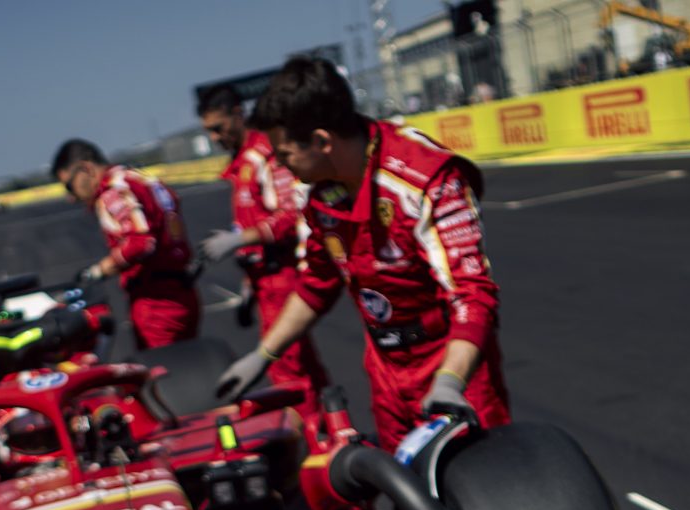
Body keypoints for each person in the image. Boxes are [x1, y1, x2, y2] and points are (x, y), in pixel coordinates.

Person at [212, 55, 510, 443]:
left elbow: (473, 294)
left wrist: (450, 381)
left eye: (285, 155)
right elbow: (316, 283)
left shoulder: (426, 178)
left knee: (483, 490)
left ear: (321, 141)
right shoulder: (319, 192)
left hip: (453, 364)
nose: (282, 167)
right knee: (403, 489)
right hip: (386, 368)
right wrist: (263, 355)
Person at [196, 85, 329, 414]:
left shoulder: (265, 154)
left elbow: (290, 212)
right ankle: (330, 429)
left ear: (238, 115)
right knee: (301, 367)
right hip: (263, 279)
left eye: (218, 128)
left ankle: (315, 446)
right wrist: (246, 285)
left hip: (282, 277)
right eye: (208, 130)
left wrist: (239, 240)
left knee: (288, 370)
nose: (214, 137)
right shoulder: (241, 159)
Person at [50, 140, 201, 350]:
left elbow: (141, 242)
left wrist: (98, 270)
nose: (71, 197)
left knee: (161, 375)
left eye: (69, 186)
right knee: (190, 368)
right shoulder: (140, 178)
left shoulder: (112, 191)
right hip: (183, 291)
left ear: (86, 168)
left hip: (155, 300)